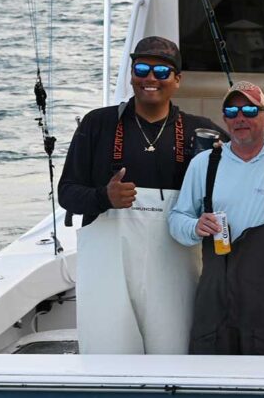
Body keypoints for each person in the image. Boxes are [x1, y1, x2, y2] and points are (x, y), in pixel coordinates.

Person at [58, 35, 226, 354]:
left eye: (162, 72)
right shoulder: (98, 124)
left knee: (175, 356)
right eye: (142, 69)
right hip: (109, 269)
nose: (151, 78)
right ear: (131, 74)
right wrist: (103, 197)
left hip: (175, 269)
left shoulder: (201, 131)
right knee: (107, 355)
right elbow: (67, 193)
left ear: (177, 80)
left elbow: (234, 192)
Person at [168, 81, 264, 355]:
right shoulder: (203, 163)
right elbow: (177, 219)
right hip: (215, 290)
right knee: (210, 374)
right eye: (232, 112)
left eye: (249, 109)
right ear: (224, 119)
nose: (240, 117)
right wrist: (195, 226)